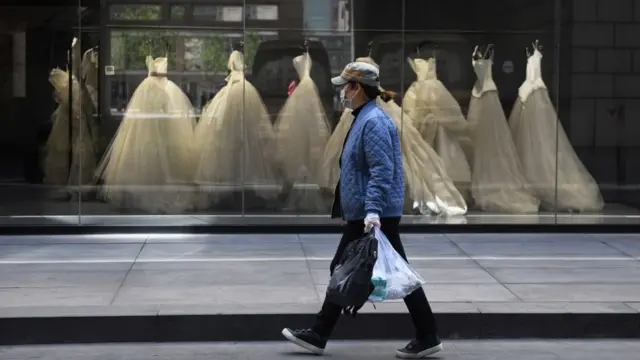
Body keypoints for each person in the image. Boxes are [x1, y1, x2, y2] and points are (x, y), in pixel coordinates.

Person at [281, 61, 443, 359]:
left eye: (346, 86)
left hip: (374, 215)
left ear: (358, 89)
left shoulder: (374, 122)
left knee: (347, 269)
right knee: (380, 270)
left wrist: (372, 212)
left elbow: (382, 170)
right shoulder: (363, 117)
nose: (342, 91)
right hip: (369, 213)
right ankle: (426, 334)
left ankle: (321, 333)